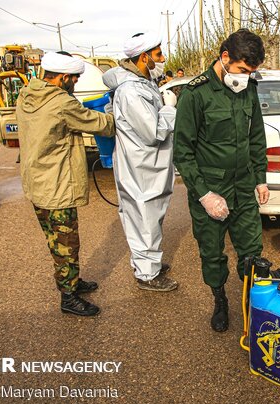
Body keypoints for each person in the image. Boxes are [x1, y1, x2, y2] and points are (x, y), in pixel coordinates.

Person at [173, 29, 268, 332]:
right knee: (213, 253)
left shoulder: (249, 89)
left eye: (252, 72)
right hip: (212, 188)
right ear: (225, 57)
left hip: (243, 185)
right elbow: (183, 152)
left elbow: (256, 137)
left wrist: (261, 178)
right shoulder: (195, 94)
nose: (246, 77)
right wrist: (204, 194)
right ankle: (220, 301)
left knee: (252, 250)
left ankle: (251, 303)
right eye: (243, 70)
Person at [16, 52, 115, 316]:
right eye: (75, 79)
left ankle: (71, 280)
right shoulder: (61, 103)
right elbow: (100, 124)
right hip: (56, 184)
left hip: (37, 182)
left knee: (54, 238)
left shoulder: (27, 94)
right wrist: (120, 114)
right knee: (66, 242)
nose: (76, 83)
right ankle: (68, 297)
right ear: (63, 78)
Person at [102, 32, 179, 292]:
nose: (163, 59)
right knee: (143, 220)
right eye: (158, 55)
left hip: (148, 166)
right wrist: (170, 108)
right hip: (141, 167)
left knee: (149, 218)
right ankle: (147, 275)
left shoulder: (141, 82)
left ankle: (149, 263)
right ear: (143, 57)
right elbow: (153, 131)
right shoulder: (130, 91)